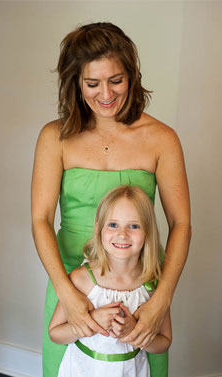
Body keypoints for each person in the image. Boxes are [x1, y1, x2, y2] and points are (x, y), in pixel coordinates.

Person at [31, 22, 190, 376]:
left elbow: (182, 224)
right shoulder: (53, 137)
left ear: (131, 77)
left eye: (116, 80)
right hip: (72, 280)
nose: (106, 93)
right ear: (76, 84)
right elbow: (40, 220)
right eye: (92, 83)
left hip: (141, 282)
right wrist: (67, 295)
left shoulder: (162, 139)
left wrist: (161, 298)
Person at [49, 186, 172, 376]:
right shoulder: (82, 280)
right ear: (99, 229)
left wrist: (134, 333)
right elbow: (55, 333)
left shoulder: (152, 285)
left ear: (148, 232)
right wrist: (90, 322)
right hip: (83, 370)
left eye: (134, 226)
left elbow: (164, 342)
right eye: (113, 225)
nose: (122, 234)